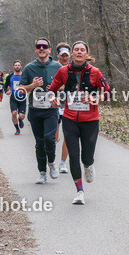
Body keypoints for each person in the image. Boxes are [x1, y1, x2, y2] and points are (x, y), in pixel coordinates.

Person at [47, 41, 111, 205]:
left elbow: (108, 93)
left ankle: (89, 165)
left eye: (82, 50)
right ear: (72, 53)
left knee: (86, 157)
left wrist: (95, 98)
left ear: (86, 54)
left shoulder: (95, 72)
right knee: (73, 156)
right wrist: (52, 98)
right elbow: (51, 90)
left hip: (90, 121)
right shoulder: (63, 71)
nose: (79, 52)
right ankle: (79, 191)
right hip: (70, 120)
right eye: (76, 50)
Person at [19, 38, 62, 184]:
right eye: (39, 46)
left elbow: (67, 86)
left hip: (51, 110)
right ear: (35, 49)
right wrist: (32, 85)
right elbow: (20, 89)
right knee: (39, 142)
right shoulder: (29, 68)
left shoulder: (57, 66)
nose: (42, 48)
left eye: (45, 46)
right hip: (35, 111)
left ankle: (52, 163)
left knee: (50, 139)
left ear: (50, 50)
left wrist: (56, 89)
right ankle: (42, 173)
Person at [54, 44, 72, 173]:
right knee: (53, 136)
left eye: (66, 55)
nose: (64, 58)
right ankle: (51, 157)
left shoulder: (73, 68)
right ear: (58, 55)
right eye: (62, 55)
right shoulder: (53, 67)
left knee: (68, 135)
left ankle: (62, 162)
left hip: (69, 104)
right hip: (54, 104)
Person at [4, 61, 26, 134]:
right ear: (13, 67)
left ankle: (20, 119)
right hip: (13, 97)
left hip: (22, 98)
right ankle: (17, 129)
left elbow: (29, 85)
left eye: (18, 65)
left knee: (21, 116)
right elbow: (5, 85)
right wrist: (6, 91)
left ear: (21, 67)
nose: (17, 66)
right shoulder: (10, 76)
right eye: (16, 65)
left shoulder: (24, 76)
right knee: (14, 113)